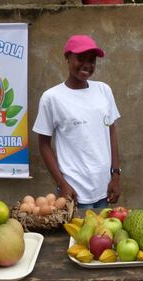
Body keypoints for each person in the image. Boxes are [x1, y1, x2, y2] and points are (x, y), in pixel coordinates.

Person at [33, 34, 121, 209]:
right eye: (80, 58)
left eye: (92, 60)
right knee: (77, 236)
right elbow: (44, 144)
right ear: (67, 57)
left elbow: (110, 131)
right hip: (74, 191)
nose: (87, 65)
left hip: (104, 187)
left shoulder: (103, 90)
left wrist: (116, 175)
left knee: (101, 234)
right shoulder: (52, 98)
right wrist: (61, 184)